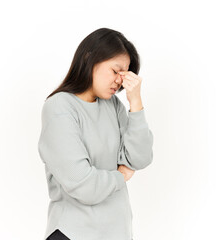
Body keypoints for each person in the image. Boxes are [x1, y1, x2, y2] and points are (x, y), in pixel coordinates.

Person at [38, 27, 154, 240]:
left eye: (125, 74)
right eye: (115, 71)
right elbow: (84, 185)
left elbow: (140, 158)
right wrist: (121, 176)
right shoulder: (59, 107)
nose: (120, 81)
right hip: (73, 234)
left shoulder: (114, 107)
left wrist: (135, 101)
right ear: (89, 58)